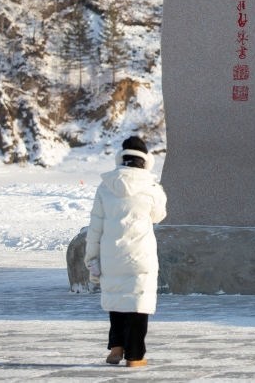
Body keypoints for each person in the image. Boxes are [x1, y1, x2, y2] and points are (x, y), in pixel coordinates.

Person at [85, 136, 167, 367]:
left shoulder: (106, 185)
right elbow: (159, 215)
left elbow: (95, 226)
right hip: (140, 254)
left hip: (111, 255)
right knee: (138, 304)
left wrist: (91, 258)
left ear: (120, 157)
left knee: (116, 300)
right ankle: (135, 356)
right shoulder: (151, 186)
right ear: (146, 160)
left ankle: (116, 347)